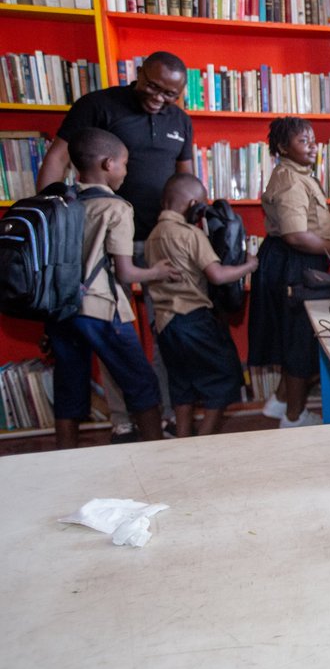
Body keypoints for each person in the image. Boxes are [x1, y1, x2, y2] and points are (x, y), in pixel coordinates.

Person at [39, 51, 193, 443]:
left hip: (161, 237)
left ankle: (164, 412)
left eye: (170, 93)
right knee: (109, 327)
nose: (159, 98)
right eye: (153, 86)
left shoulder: (180, 121)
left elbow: (186, 178)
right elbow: (57, 158)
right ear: (138, 73)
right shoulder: (98, 105)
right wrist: (52, 221)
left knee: (169, 326)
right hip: (101, 244)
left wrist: (194, 227)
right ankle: (125, 419)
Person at [44, 128, 180, 449]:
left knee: (69, 388)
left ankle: (64, 459)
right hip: (100, 308)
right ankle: (157, 454)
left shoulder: (59, 201)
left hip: (61, 309)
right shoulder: (116, 208)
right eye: (124, 164)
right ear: (108, 164)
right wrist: (157, 270)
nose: (126, 171)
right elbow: (125, 270)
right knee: (141, 383)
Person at [144, 174, 259, 437]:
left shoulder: (153, 236)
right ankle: (204, 441)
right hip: (193, 318)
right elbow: (217, 275)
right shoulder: (190, 234)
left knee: (182, 386)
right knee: (225, 377)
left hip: (165, 324)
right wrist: (248, 265)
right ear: (194, 203)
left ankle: (184, 441)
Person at [249, 117, 330, 429]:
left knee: (296, 338)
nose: (313, 145)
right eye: (303, 140)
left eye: (313, 139)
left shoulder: (300, 174)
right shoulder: (289, 178)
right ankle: (294, 418)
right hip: (295, 263)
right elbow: (296, 236)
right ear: (282, 147)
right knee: (300, 341)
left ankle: (279, 402)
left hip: (297, 262)